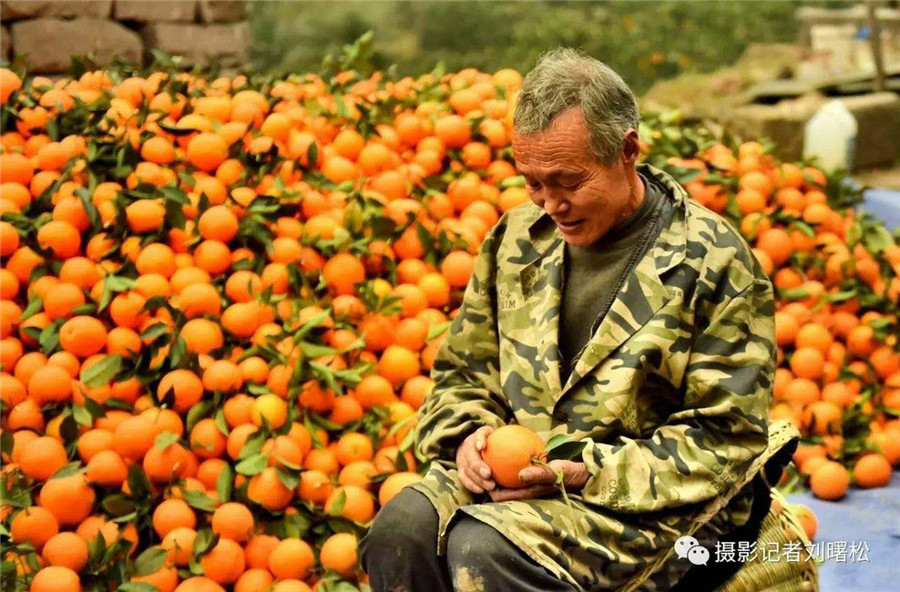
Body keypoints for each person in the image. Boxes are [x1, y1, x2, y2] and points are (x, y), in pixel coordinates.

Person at [360, 48, 818, 592]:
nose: (551, 203)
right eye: (532, 182)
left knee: (484, 549)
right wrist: (469, 438)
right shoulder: (516, 241)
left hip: (650, 509)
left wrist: (586, 471)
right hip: (515, 485)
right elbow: (463, 373)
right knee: (400, 531)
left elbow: (724, 440)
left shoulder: (713, 263)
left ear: (627, 150)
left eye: (569, 182)